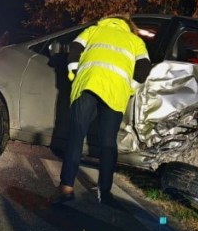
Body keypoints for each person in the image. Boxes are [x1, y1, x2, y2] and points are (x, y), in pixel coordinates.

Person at [51, 14, 152, 207]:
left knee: (76, 135)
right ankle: (105, 193)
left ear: (108, 20)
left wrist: (75, 73)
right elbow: (144, 66)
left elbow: (75, 47)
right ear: (129, 26)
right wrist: (130, 87)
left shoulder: (93, 30)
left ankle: (66, 188)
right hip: (116, 91)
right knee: (108, 143)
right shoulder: (135, 41)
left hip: (89, 83)